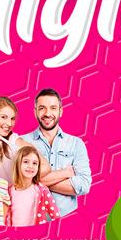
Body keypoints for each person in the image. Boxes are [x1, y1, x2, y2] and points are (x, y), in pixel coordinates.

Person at [20, 88, 91, 217]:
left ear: (60, 111)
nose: (47, 113)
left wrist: (36, 181)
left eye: (53, 108)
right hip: (30, 219)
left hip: (68, 219)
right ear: (35, 112)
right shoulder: (22, 142)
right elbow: (20, 181)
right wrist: (65, 173)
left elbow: (84, 185)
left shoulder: (76, 143)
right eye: (42, 108)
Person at [7, 145, 60, 226]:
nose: (30, 166)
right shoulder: (9, 191)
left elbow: (56, 217)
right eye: (26, 162)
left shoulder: (42, 190)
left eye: (35, 163)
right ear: (18, 164)